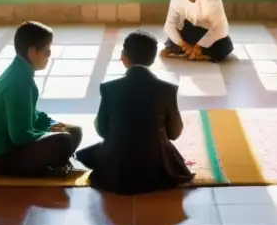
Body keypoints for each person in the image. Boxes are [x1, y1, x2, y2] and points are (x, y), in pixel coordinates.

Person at [76, 30, 194, 194]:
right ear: (153, 59)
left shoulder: (109, 89)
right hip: (155, 168)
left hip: (118, 169)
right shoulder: (167, 90)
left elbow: (102, 130)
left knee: (101, 149)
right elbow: (174, 133)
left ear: (125, 57)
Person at [0, 22, 83, 177]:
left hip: (6, 148)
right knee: (64, 140)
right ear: (32, 52)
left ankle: (55, 162)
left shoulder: (20, 71)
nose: (49, 55)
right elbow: (20, 136)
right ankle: (53, 167)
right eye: (47, 51)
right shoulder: (19, 82)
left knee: (74, 131)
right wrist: (48, 133)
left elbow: (29, 113)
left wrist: (52, 125)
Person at [162, 0, 233, 62]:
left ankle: (198, 53)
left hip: (208, 31)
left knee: (225, 46)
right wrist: (183, 44)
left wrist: (199, 45)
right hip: (190, 28)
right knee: (174, 39)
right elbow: (170, 23)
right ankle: (193, 52)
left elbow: (221, 28)